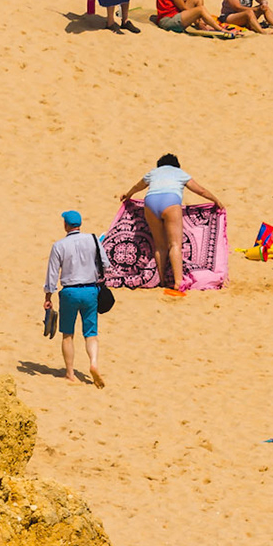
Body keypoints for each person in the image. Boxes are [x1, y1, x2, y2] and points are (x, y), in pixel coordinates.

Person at [119, 154, 225, 293]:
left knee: (160, 246)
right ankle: (178, 282)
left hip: (150, 202)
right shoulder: (179, 173)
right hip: (170, 202)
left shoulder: (153, 172)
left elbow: (137, 186)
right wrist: (216, 200)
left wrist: (128, 195)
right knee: (175, 245)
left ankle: (162, 281)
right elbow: (200, 190)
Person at [44, 210, 109, 387]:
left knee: (67, 334)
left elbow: (52, 275)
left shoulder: (59, 245)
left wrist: (48, 296)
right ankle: (94, 363)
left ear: (66, 225)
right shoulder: (94, 239)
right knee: (91, 333)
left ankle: (70, 373)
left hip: (70, 292)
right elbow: (106, 264)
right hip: (90, 291)